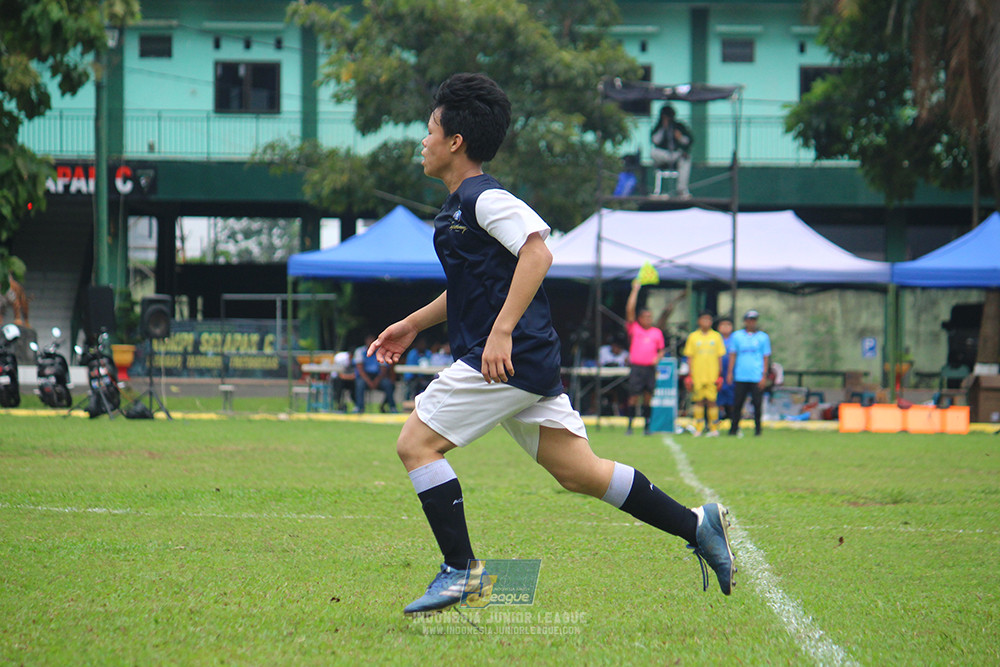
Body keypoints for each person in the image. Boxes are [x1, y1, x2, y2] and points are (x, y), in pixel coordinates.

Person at [368, 73, 735, 616]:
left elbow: (538, 255)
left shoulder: (482, 196)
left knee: (415, 444)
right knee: (579, 471)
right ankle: (695, 524)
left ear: (455, 142)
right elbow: (470, 290)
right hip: (520, 359)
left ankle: (461, 571)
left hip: (507, 359)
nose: (422, 142)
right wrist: (413, 323)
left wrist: (501, 331)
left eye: (429, 131)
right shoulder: (456, 210)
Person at [625, 279, 666, 435]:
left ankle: (647, 426)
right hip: (637, 368)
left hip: (650, 368)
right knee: (633, 397)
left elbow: (661, 350)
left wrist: (658, 357)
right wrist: (635, 290)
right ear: (640, 318)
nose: (648, 319)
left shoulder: (656, 332)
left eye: (650, 316)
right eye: (645, 316)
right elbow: (629, 310)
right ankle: (630, 425)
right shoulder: (634, 329)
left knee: (648, 397)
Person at [726, 310, 772, 437]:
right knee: (737, 404)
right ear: (745, 321)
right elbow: (733, 355)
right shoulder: (737, 336)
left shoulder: (763, 337)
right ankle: (733, 429)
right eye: (749, 320)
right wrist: (730, 372)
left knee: (757, 404)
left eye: (754, 320)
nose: (751, 322)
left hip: (756, 376)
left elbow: (765, 357)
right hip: (741, 375)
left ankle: (758, 430)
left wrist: (764, 375)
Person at [682, 311, 727, 436]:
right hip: (698, 375)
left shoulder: (716, 336)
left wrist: (720, 375)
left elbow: (720, 357)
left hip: (712, 375)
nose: (706, 322)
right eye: (704, 319)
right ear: (699, 321)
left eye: (709, 319)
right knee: (699, 401)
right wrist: (690, 375)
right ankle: (699, 427)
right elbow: (689, 357)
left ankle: (713, 428)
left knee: (712, 401)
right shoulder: (693, 337)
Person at [650, 105, 693, 199]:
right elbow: (655, 140)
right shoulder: (658, 127)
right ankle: (657, 192)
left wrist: (680, 137)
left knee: (686, 159)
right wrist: (663, 128)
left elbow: (689, 141)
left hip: (677, 155)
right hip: (663, 156)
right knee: (653, 152)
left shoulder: (679, 126)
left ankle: (681, 190)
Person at [353, 334, 398, 413]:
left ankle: (391, 407)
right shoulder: (360, 351)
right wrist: (369, 381)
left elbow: (383, 369)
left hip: (378, 376)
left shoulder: (380, 351)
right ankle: (359, 407)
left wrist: (376, 380)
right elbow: (360, 369)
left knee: (388, 384)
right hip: (365, 376)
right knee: (359, 384)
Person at [716, 317, 735, 429]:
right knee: (716, 400)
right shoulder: (715, 338)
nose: (725, 328)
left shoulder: (735, 339)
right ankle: (714, 425)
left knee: (732, 400)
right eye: (723, 325)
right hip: (717, 374)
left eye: (728, 325)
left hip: (732, 375)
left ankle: (734, 425)